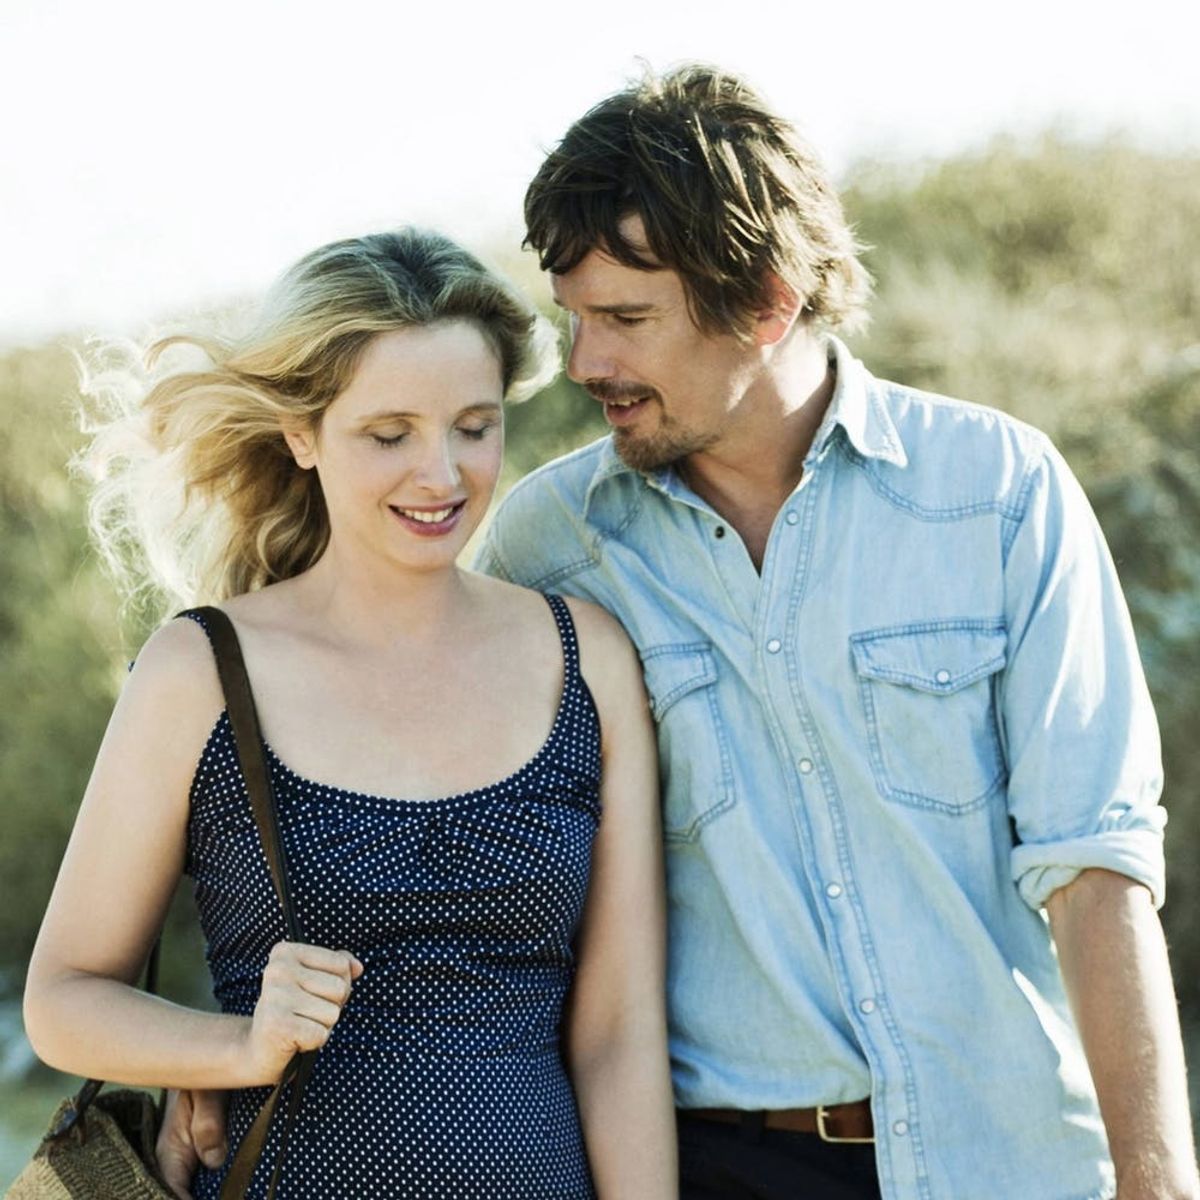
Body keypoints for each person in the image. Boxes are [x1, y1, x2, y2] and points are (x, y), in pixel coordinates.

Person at [469, 67, 1197, 1199]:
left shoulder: (997, 491)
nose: (585, 364)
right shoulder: (548, 550)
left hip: (1007, 1164)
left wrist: (1159, 1185)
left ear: (766, 302)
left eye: (626, 320)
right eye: (576, 315)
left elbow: (1096, 867)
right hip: (724, 1168)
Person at [22, 228, 676, 1199]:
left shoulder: (589, 660)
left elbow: (618, 1036)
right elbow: (62, 1000)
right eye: (389, 434)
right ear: (303, 434)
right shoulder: (201, 672)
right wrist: (235, 1047)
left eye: (473, 425)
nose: (442, 474)